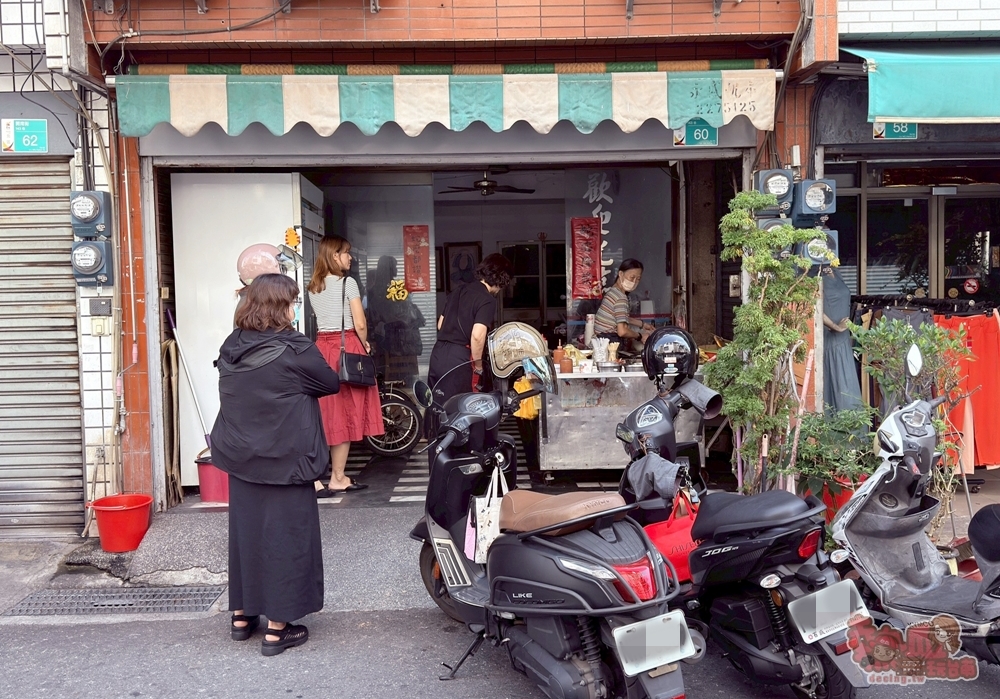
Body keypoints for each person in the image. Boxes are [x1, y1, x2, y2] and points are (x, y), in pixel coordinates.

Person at [209, 274, 340, 657]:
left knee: (246, 536)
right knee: (286, 538)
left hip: (241, 456)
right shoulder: (295, 349)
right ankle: (278, 629)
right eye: (293, 301)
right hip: (286, 459)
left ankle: (242, 616)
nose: (296, 308)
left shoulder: (232, 344)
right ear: (280, 306)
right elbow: (329, 383)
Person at [308, 235, 383, 497]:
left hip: (322, 351)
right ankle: (337, 477)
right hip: (346, 347)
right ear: (333, 255)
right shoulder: (347, 283)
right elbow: (359, 323)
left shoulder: (313, 286)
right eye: (346, 253)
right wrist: (366, 345)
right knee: (347, 412)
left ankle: (317, 477)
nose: (350, 257)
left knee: (326, 414)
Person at [427, 253, 513, 412]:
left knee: (438, 407)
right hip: (459, 358)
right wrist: (479, 366)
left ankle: (437, 436)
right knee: (461, 411)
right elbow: (477, 336)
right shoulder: (487, 299)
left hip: (438, 354)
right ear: (502, 279)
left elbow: (440, 324)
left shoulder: (458, 291)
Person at [592, 258, 654, 348]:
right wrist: (640, 336)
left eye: (638, 279)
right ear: (620, 274)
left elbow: (619, 316)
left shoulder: (612, 291)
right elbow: (622, 331)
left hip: (600, 343)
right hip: (609, 344)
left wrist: (643, 325)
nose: (634, 282)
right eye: (632, 277)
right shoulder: (621, 297)